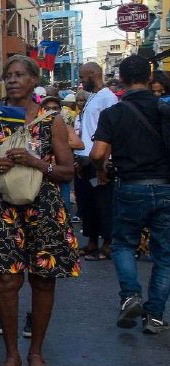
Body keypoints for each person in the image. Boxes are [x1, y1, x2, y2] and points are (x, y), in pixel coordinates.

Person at [0, 55, 80, 366]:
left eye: (20, 75)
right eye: (8, 75)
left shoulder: (52, 120)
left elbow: (67, 171)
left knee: (42, 279)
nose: (13, 80)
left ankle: (36, 350)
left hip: (45, 208)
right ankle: (12, 356)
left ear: (34, 79)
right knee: (6, 281)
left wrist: (37, 163)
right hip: (4, 209)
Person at [90, 55, 170, 334]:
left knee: (124, 244)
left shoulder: (113, 113)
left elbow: (98, 153)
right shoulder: (164, 108)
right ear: (150, 79)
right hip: (165, 187)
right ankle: (155, 316)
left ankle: (131, 296)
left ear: (121, 80)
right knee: (164, 254)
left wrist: (101, 170)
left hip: (130, 186)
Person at [75, 62, 118, 261]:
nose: (81, 81)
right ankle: (92, 241)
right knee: (88, 203)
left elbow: (112, 131)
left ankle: (107, 243)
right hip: (85, 159)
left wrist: (104, 163)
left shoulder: (108, 97)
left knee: (104, 203)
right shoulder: (93, 96)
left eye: (83, 77)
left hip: (99, 159)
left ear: (94, 74)